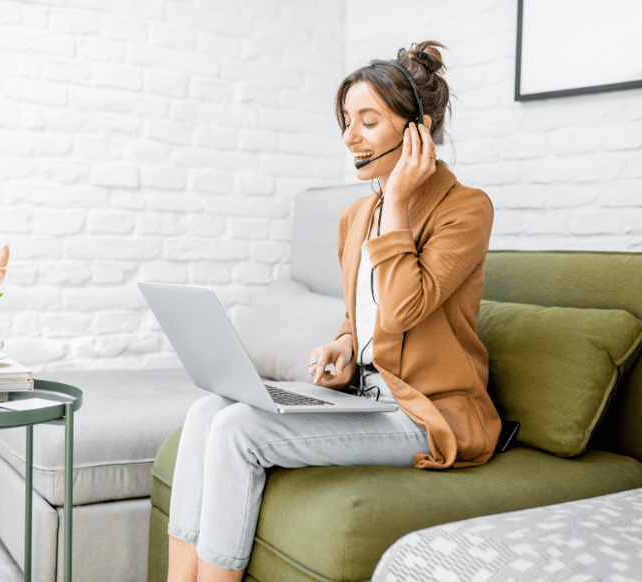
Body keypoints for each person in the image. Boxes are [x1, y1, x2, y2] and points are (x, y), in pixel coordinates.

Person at [166, 40, 502, 582]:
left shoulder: (465, 209)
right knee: (206, 413)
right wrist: (345, 346)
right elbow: (364, 318)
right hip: (366, 399)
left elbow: (403, 307)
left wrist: (396, 201)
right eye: (347, 121)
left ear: (419, 128)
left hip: (425, 414)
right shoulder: (354, 217)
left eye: (368, 121)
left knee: (237, 431)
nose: (350, 137)